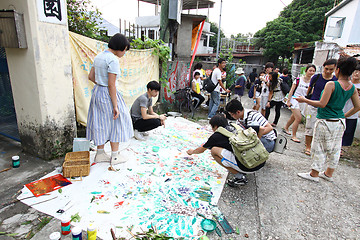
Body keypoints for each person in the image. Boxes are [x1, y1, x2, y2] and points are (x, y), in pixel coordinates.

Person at [296, 57, 360, 182]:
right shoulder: (351, 87)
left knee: (319, 147)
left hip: (325, 120)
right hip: (339, 122)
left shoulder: (332, 84)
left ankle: (314, 174)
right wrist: (344, 116)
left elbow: (322, 103)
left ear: (338, 70)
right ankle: (328, 173)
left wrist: (304, 100)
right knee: (335, 148)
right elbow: (357, 106)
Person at [86, 33, 134, 165]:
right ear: (121, 47)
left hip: (97, 92)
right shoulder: (113, 60)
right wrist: (115, 106)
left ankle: (100, 153)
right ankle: (115, 155)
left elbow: (91, 77)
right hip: (108, 93)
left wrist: (101, 84)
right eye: (125, 50)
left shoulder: (99, 56)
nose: (124, 53)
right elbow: (111, 85)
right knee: (116, 122)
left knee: (100, 122)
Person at [186, 114, 266, 187]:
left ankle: (239, 177)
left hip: (249, 167)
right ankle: (246, 161)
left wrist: (192, 152)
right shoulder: (237, 126)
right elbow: (261, 129)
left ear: (216, 126)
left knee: (214, 151)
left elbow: (201, 150)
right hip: (261, 160)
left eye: (212, 127)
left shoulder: (216, 136)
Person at [303, 59, 337, 155]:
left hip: (326, 107)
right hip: (312, 105)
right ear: (323, 67)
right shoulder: (316, 77)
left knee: (321, 128)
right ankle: (308, 146)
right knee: (309, 125)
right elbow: (309, 90)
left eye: (331, 69)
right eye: (326, 69)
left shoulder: (335, 80)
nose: (328, 71)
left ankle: (316, 146)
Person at [283, 64, 316, 143]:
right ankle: (294, 136)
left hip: (304, 101)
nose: (311, 72)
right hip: (295, 100)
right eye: (310, 70)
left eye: (313, 71)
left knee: (293, 117)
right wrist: (288, 100)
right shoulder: (298, 80)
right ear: (306, 71)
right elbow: (291, 90)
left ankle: (286, 127)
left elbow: (311, 93)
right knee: (298, 118)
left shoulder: (313, 82)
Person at [341, 64, 360, 150]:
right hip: (342, 110)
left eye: (359, 72)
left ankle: (341, 148)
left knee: (348, 132)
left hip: (353, 113)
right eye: (355, 72)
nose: (357, 74)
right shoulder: (347, 84)